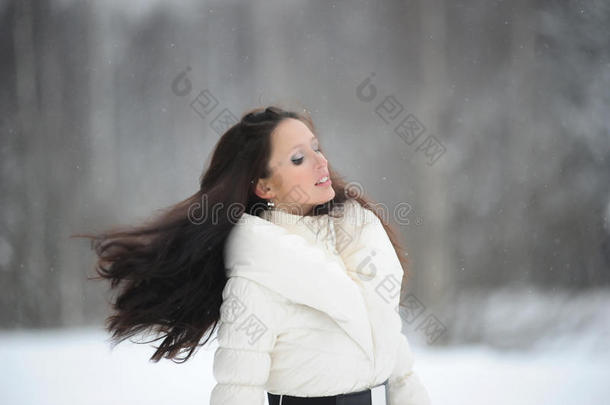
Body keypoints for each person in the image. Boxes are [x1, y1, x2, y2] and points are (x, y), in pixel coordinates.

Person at [75, 106, 431, 405]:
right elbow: (238, 389)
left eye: (316, 147)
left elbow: (392, 350)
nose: (321, 161)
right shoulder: (260, 274)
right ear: (264, 186)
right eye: (298, 158)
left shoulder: (357, 240)